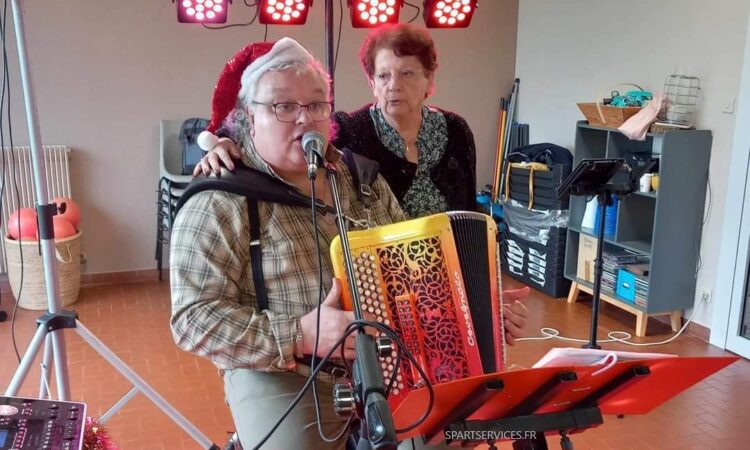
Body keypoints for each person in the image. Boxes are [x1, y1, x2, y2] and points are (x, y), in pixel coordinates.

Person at [172, 38, 528, 450]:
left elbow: (414, 270)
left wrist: (469, 311)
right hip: (285, 370)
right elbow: (191, 319)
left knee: (453, 433)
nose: (304, 120)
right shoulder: (220, 200)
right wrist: (298, 336)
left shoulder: (364, 181)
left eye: (316, 105)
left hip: (390, 358)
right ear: (250, 116)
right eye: (283, 107)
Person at [194, 23, 478, 219]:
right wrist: (225, 141)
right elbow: (276, 139)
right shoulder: (348, 129)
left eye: (407, 73)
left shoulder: (455, 129)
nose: (394, 86)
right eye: (383, 75)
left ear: (429, 77)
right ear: (371, 82)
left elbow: (471, 212)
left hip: (457, 268)